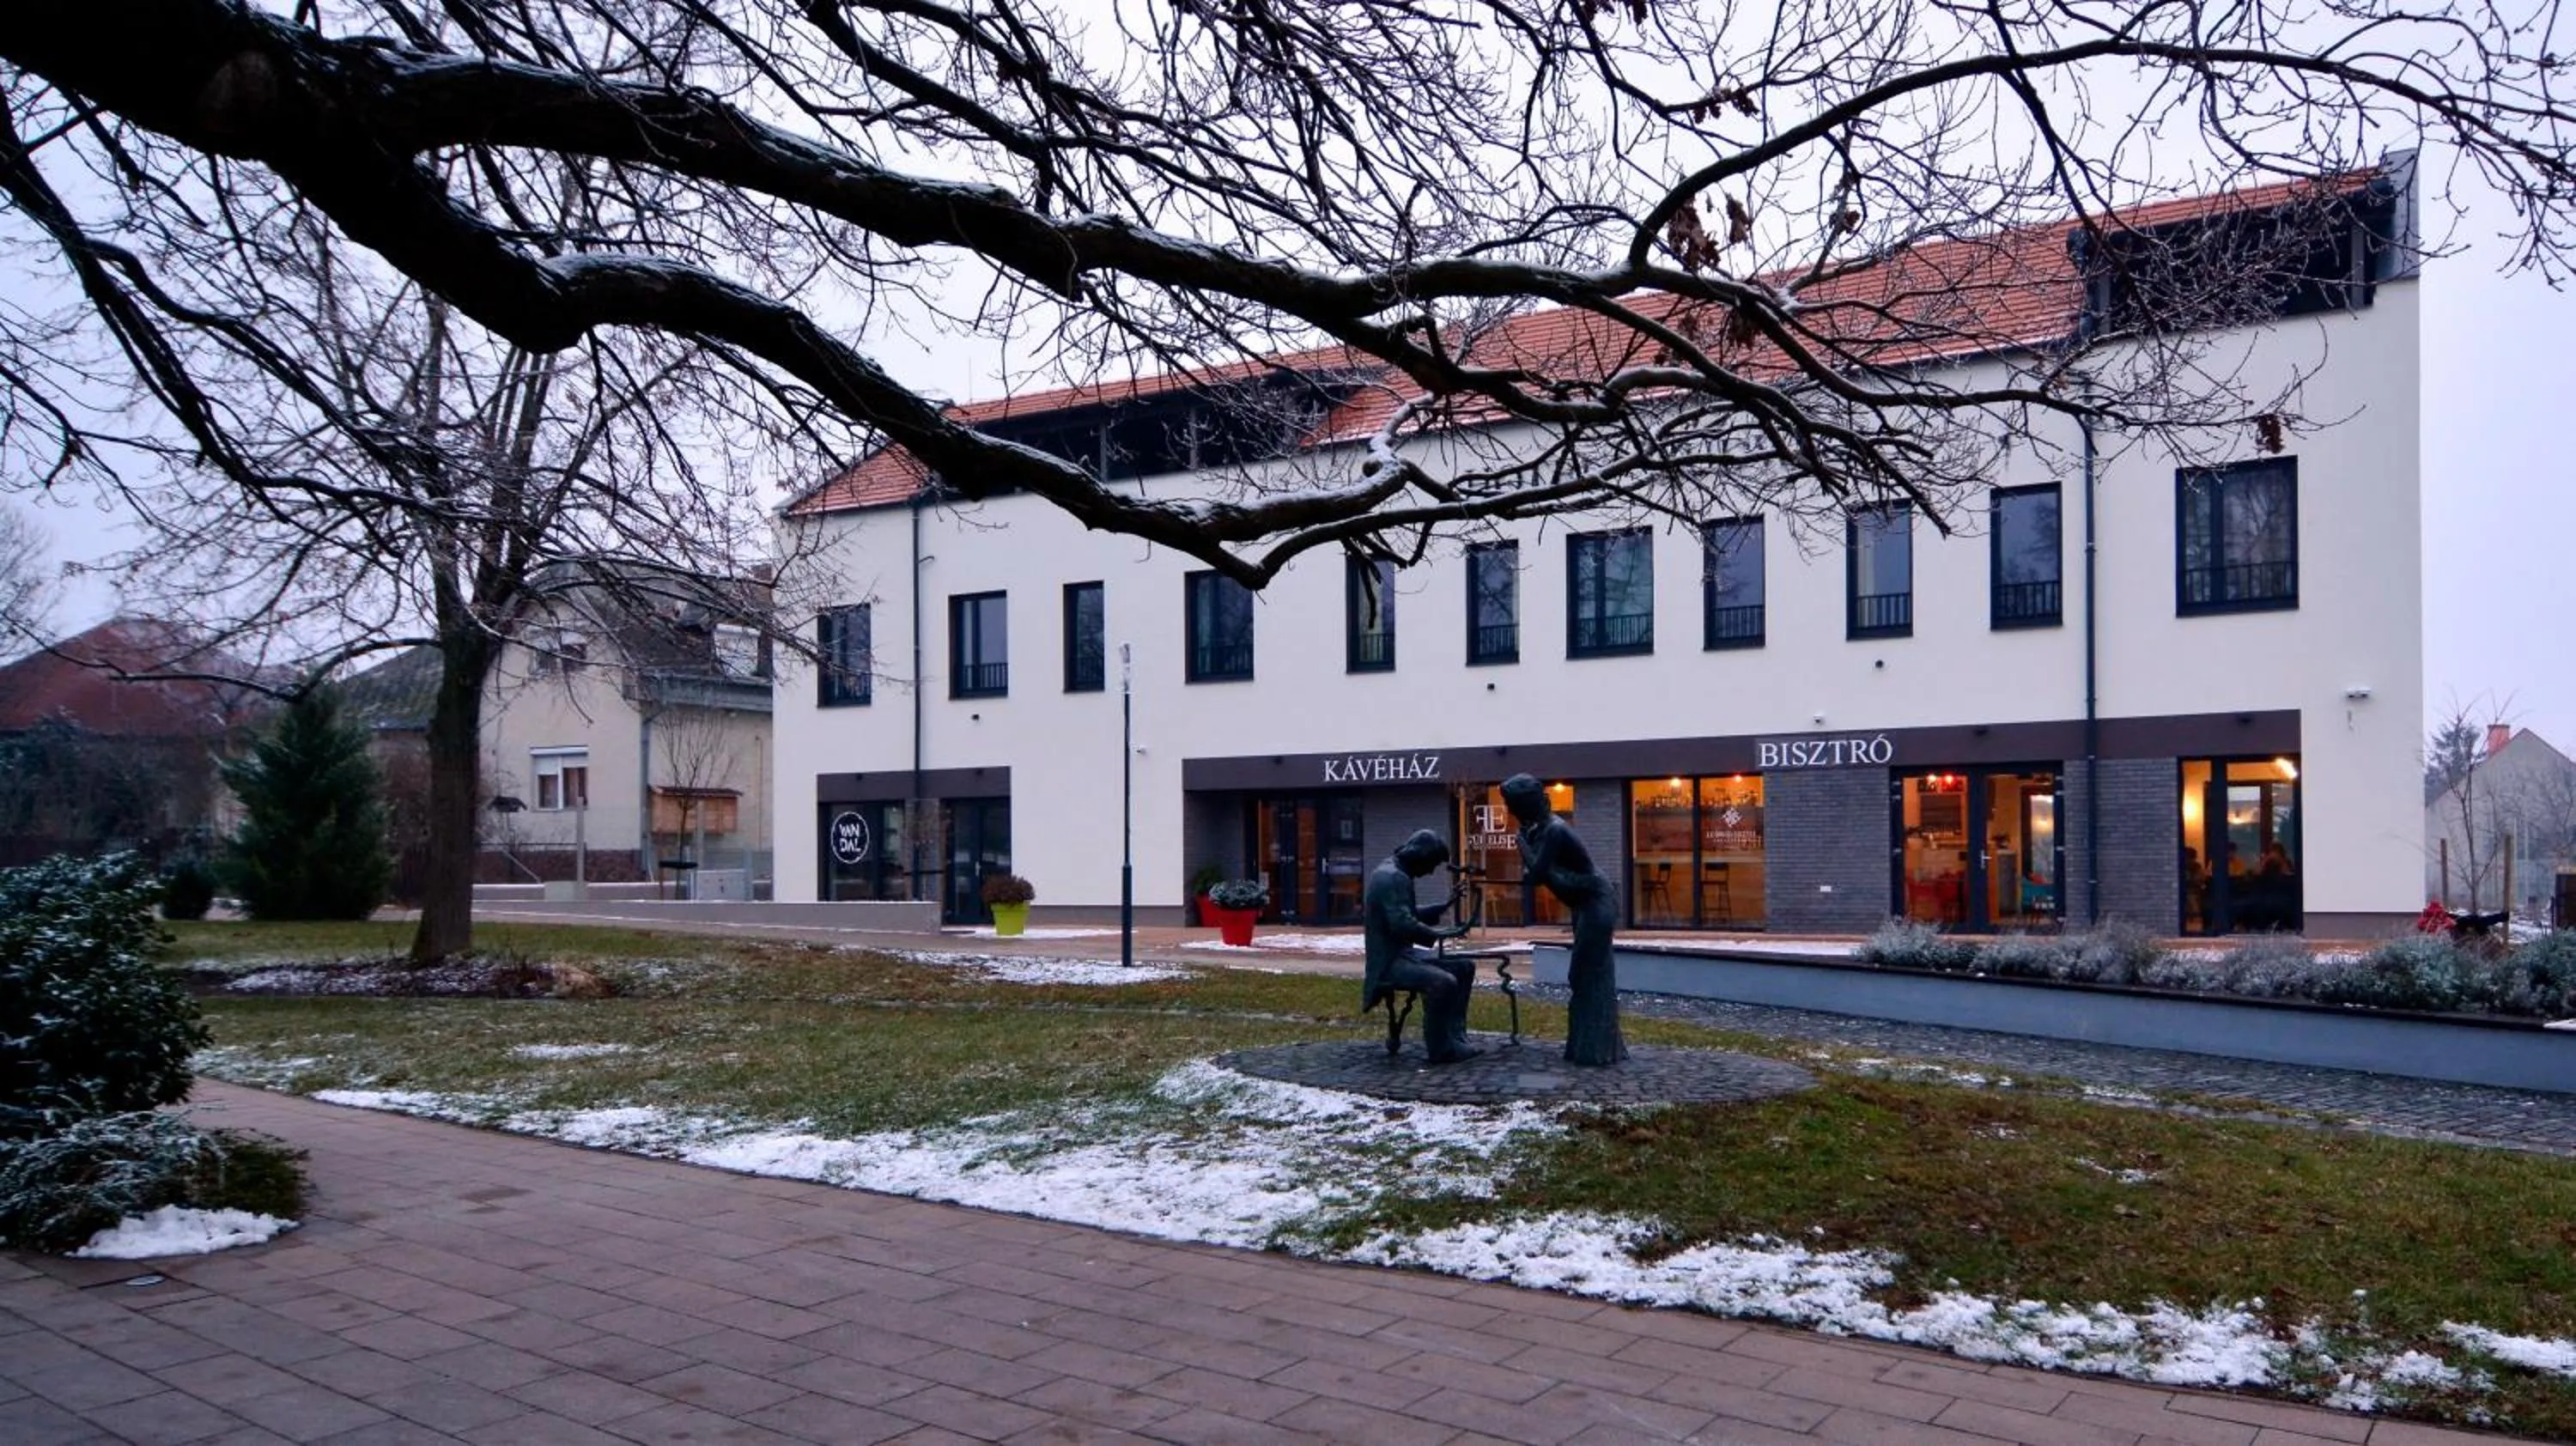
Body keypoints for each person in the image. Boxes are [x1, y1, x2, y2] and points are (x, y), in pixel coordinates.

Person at [1499, 774, 1626, 1066]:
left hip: (1596, 903)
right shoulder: (1542, 829)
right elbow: (1541, 873)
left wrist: (1521, 844)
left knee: (1585, 975)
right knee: (1587, 976)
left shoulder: (1554, 830)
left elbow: (1538, 873)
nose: (1510, 812)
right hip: (1583, 904)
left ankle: (1597, 1049)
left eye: (1513, 807)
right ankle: (1590, 1048)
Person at [1361, 830, 1479, 1063]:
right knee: (1443, 982)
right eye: (1431, 865)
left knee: (1464, 967)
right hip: (1389, 962)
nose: (1431, 872)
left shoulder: (1397, 873)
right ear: (1420, 856)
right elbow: (1401, 923)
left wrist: (1444, 905)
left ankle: (1456, 1036)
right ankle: (1441, 1048)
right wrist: (1441, 934)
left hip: (1404, 954)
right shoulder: (1392, 877)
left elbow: (1409, 913)